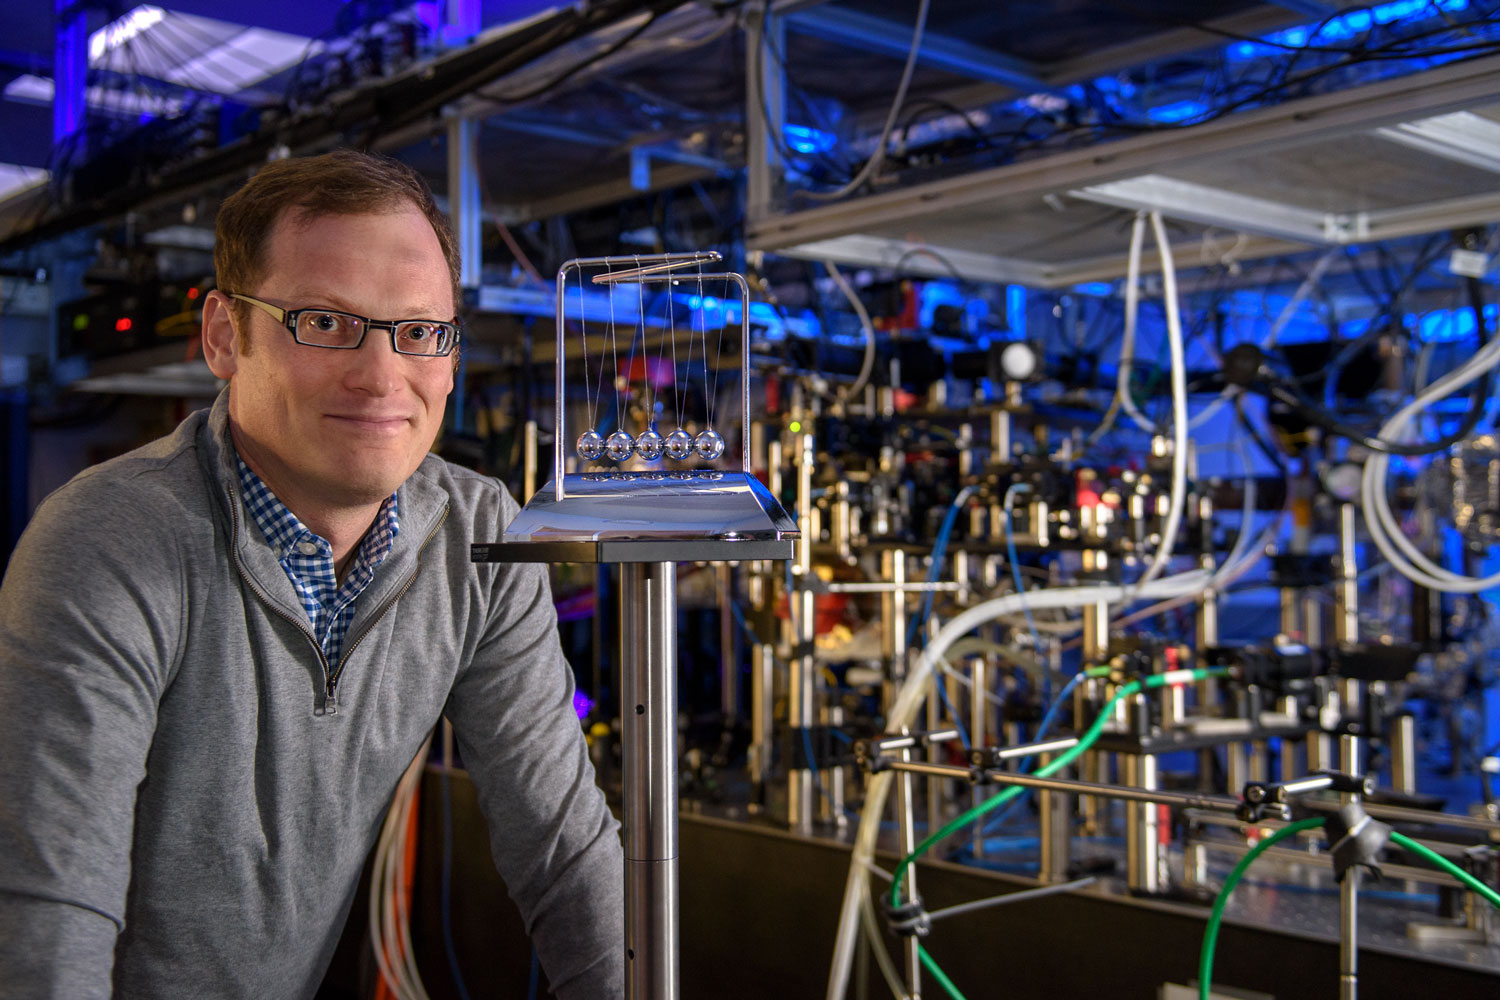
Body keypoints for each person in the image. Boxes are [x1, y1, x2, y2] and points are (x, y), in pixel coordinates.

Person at [0, 150, 623, 998]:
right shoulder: (111, 542)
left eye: (418, 332)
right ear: (225, 336)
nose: (381, 376)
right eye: (325, 323)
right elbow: (49, 922)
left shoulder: (481, 537)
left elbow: (566, 853)